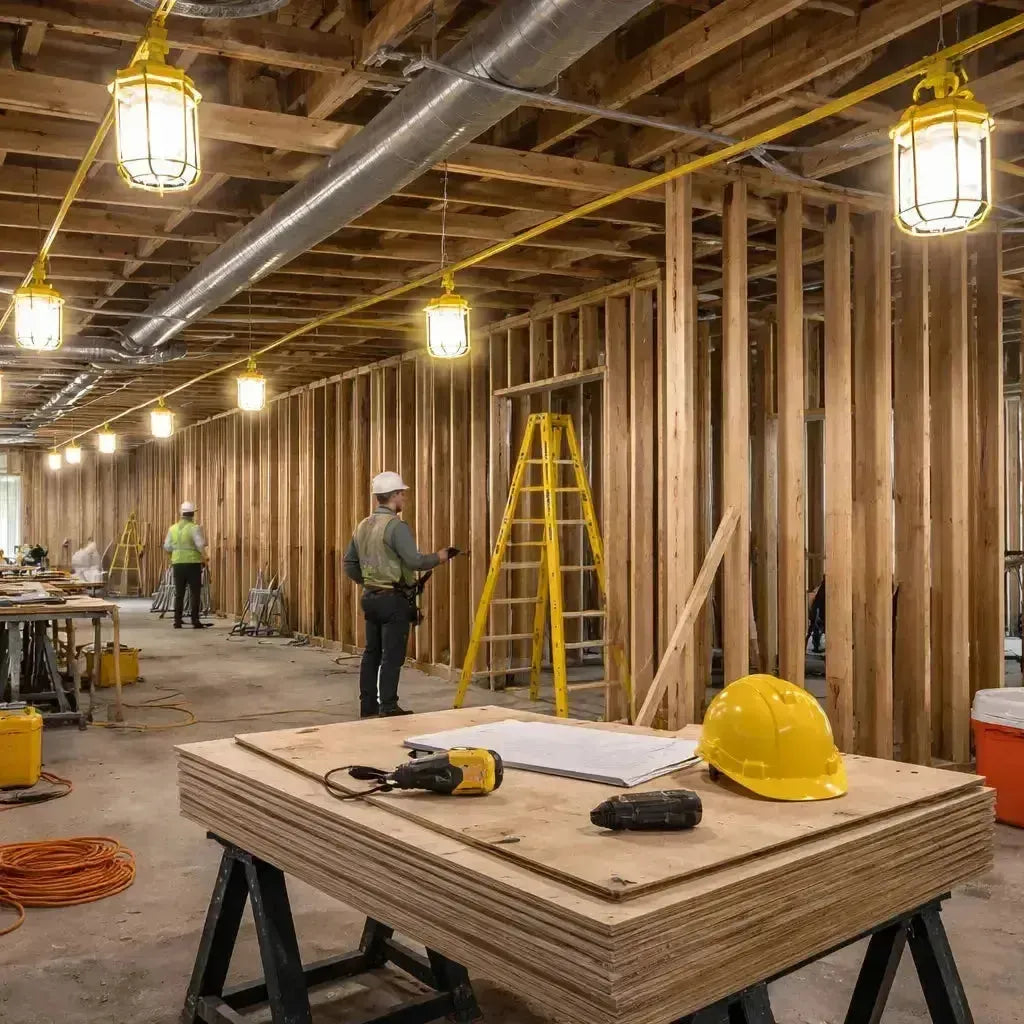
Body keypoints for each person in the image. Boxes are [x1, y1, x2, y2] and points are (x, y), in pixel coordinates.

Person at [344, 472, 453, 718]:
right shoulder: (396, 526)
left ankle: (368, 706)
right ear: (393, 496)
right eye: (402, 493)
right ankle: (389, 706)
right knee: (392, 656)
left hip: (370, 598)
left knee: (372, 653)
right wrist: (440, 557)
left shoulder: (363, 525)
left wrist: (371, 580)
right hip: (393, 600)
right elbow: (415, 561)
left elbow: (349, 564)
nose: (405, 498)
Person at [163, 501, 211, 630]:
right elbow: (200, 545)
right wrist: (205, 557)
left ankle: (177, 621)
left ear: (181, 513)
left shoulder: (172, 528)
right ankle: (195, 621)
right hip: (193, 564)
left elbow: (167, 546)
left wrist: (174, 554)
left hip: (178, 564)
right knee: (195, 593)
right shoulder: (194, 528)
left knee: (179, 593)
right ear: (192, 514)